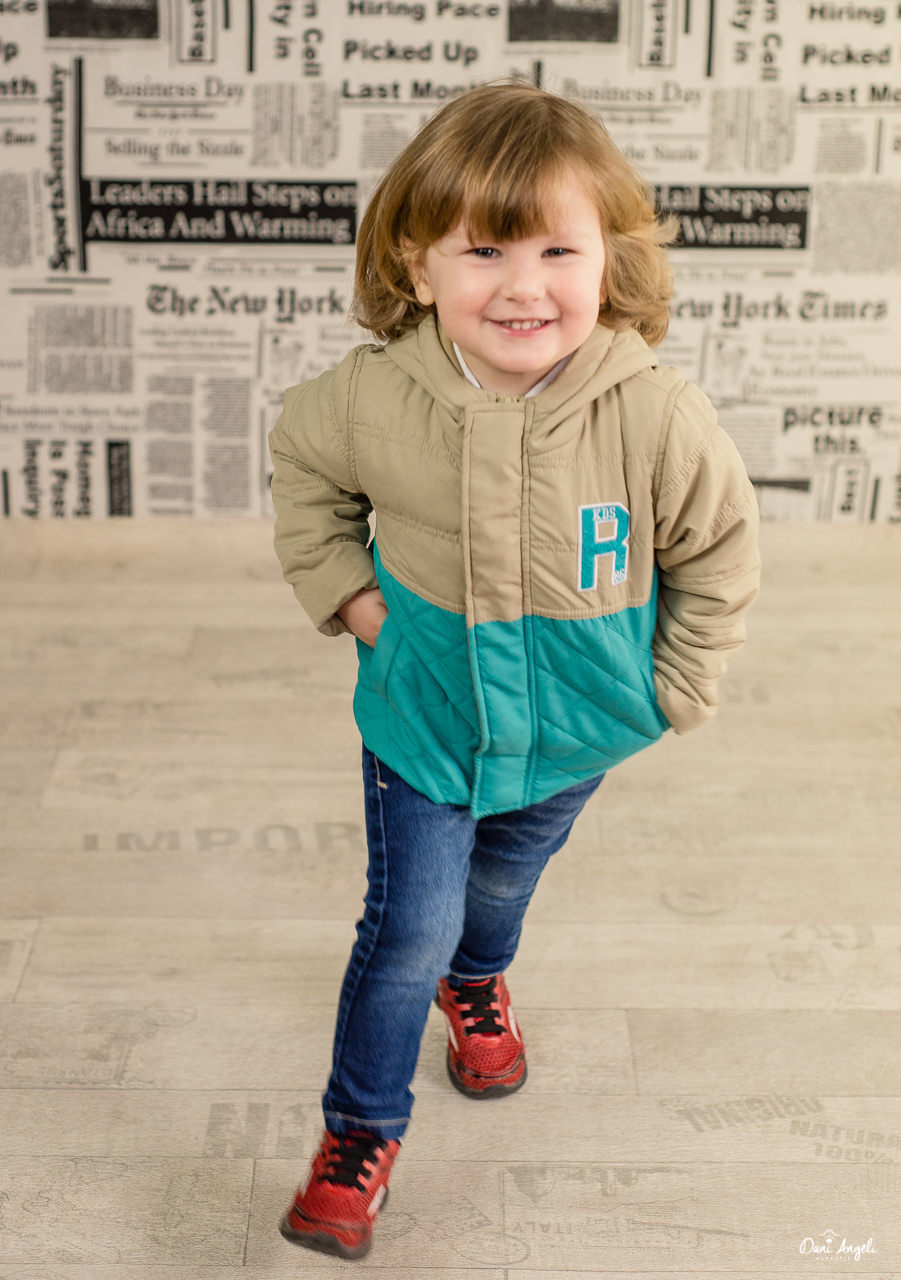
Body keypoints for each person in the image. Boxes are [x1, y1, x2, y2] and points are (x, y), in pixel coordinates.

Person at [268, 80, 760, 1260]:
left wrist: (672, 685)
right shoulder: (375, 395)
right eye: (483, 250)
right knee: (407, 927)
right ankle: (360, 1129)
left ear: (609, 259)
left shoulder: (652, 414)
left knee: (497, 889)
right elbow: (303, 467)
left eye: (556, 250)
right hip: (424, 715)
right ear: (418, 260)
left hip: (581, 724)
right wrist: (353, 598)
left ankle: (479, 977)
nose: (522, 286)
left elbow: (719, 549)